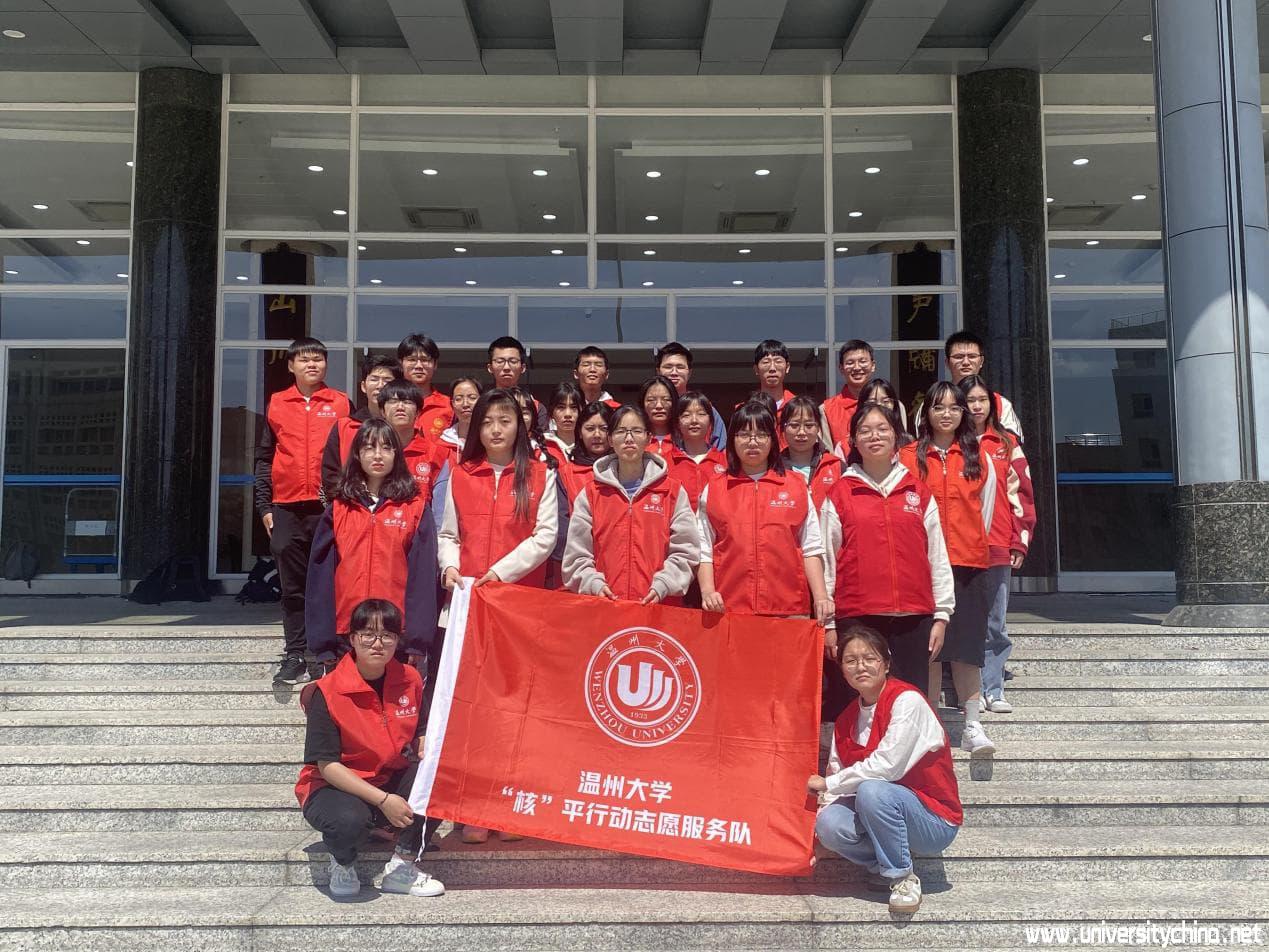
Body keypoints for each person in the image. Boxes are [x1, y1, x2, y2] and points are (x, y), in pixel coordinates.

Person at [437, 388, 559, 843]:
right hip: (469, 607)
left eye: (505, 420)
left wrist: (498, 573)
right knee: (472, 710)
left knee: (515, 711)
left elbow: (545, 537)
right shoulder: (460, 473)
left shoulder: (540, 474)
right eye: (487, 421)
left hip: (518, 608)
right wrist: (450, 566)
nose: (495, 429)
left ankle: (510, 809)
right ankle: (472, 807)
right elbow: (448, 534)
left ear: (520, 427)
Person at [296, 599, 445, 900]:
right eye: (368, 634)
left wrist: (425, 746)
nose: (378, 643)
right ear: (352, 639)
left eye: (387, 635)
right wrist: (384, 800)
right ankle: (343, 862)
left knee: (441, 776)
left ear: (397, 640)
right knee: (349, 822)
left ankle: (402, 865)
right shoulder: (326, 691)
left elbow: (421, 729)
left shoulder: (410, 679)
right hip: (335, 785)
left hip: (388, 775)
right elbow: (327, 766)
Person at [808, 625, 961, 916]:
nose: (860, 666)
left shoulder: (907, 701)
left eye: (870, 658)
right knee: (829, 823)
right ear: (842, 670)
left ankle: (902, 877)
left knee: (873, 789)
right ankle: (881, 864)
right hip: (881, 811)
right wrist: (818, 838)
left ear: (886, 664)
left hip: (933, 819)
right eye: (851, 660)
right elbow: (837, 771)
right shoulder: (846, 719)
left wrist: (829, 783)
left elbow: (886, 766)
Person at [820, 402, 953, 719]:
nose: (874, 436)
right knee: (856, 704)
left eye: (882, 429)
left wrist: (942, 614)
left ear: (896, 436)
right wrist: (829, 623)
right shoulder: (840, 493)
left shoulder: (917, 491)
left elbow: (937, 555)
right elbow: (826, 560)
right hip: (858, 615)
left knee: (908, 702)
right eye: (865, 430)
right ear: (853, 440)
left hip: (913, 616)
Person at [900, 382, 997, 755]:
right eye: (938, 407)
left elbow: (985, 511)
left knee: (967, 649)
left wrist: (969, 543)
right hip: (923, 566)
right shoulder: (909, 457)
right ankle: (931, 725)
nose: (946, 414)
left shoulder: (977, 456)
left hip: (968, 564)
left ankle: (972, 724)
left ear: (963, 413)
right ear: (926, 413)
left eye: (954, 408)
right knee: (929, 649)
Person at [255, 337, 351, 685]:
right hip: (287, 507)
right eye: (305, 359)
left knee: (330, 583)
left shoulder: (340, 403)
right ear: (291, 365)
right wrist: (264, 505)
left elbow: (351, 454)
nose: (312, 365)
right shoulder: (277, 404)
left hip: (328, 508)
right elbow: (264, 457)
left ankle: (327, 652)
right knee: (292, 586)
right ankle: (295, 653)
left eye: (318, 359)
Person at [305, 418, 437, 670]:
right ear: (357, 454)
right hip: (347, 632)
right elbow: (320, 578)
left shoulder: (416, 509)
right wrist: (323, 642)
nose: (378, 455)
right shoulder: (338, 509)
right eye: (369, 447)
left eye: (386, 447)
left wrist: (417, 640)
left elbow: (423, 577)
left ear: (397, 455)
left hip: (395, 632)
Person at [697, 402, 834, 628]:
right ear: (732, 440)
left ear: (773, 440)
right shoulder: (715, 488)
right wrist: (708, 591)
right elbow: (703, 549)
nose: (753, 442)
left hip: (788, 608)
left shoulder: (796, 486)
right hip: (730, 609)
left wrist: (820, 596)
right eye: (744, 435)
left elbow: (811, 547)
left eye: (761, 435)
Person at [562, 404, 699, 604]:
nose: (629, 438)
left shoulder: (672, 491)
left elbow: (687, 550)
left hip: (659, 606)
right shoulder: (592, 493)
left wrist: (664, 584)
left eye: (636, 431)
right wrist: (593, 583)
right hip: (605, 605)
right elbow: (576, 554)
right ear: (610, 439)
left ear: (649, 438)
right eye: (621, 431)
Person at [959, 375, 1035, 714]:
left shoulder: (1006, 443)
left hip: (997, 544)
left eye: (982, 400)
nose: (976, 406)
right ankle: (968, 690)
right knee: (963, 621)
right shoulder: (951, 444)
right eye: (970, 400)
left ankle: (994, 688)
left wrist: (1019, 540)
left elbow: (1022, 494)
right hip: (959, 546)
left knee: (995, 622)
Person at [321, 354, 401, 502]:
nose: (380, 385)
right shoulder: (344, 426)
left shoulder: (404, 427)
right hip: (351, 505)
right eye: (374, 379)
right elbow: (330, 472)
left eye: (387, 380)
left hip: (396, 506)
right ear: (363, 386)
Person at [943, 331, 1022, 439]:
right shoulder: (934, 402)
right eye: (959, 357)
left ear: (981, 361)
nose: (966, 362)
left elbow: (1013, 442)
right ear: (947, 362)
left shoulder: (1000, 403)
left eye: (972, 356)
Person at [378, 380, 438, 508]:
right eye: (393, 401)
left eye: (407, 402)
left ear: (418, 412)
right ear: (382, 411)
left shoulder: (436, 453)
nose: (400, 407)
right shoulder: (372, 452)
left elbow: (440, 504)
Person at [656, 341, 726, 450]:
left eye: (680, 367)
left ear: (689, 373)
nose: (674, 372)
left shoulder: (706, 409)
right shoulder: (651, 409)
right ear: (658, 371)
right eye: (668, 367)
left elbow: (721, 450)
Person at [780, 395, 842, 513]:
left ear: (818, 428)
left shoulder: (837, 467)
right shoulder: (773, 469)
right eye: (794, 425)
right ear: (783, 428)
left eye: (809, 425)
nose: (801, 432)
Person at [669, 391, 727, 511]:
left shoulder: (726, 462)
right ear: (677, 423)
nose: (694, 420)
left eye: (701, 414)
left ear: (711, 421)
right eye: (686, 415)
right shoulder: (666, 464)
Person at [830, 377, 913, 459]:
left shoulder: (909, 443)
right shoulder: (844, 447)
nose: (879, 406)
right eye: (872, 402)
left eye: (886, 401)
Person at [820, 340, 877, 451]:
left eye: (862, 361)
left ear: (873, 365)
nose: (857, 367)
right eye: (850, 363)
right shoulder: (826, 410)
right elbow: (828, 454)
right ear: (841, 368)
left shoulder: (891, 404)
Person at [398, 334, 452, 443]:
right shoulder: (391, 403)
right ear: (401, 363)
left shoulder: (449, 406)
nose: (418, 366)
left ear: (435, 364)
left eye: (424, 360)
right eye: (412, 359)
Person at [487, 335, 547, 430]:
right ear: (490, 368)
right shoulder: (480, 405)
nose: (506, 367)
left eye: (513, 361)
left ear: (523, 368)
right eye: (500, 361)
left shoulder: (535, 407)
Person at [640, 375, 681, 461]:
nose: (659, 406)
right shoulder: (636, 439)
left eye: (666, 400)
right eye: (651, 400)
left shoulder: (685, 438)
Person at [544, 382, 583, 463]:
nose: (568, 414)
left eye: (574, 407)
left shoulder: (590, 445)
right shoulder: (541, 446)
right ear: (551, 412)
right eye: (561, 407)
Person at [751, 339, 796, 411]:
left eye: (778, 362)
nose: (772, 368)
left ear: (787, 367)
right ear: (756, 369)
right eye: (766, 362)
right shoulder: (746, 410)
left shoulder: (800, 408)